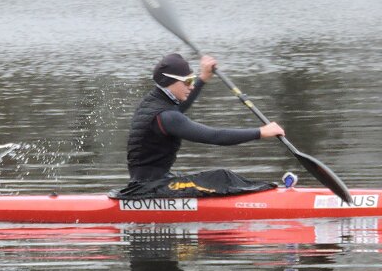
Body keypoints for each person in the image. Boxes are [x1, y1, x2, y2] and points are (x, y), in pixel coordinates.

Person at [115, 52, 284, 198]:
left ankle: (267, 193)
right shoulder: (166, 116)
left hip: (149, 184)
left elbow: (180, 107)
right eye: (187, 81)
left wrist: (203, 78)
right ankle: (270, 199)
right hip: (150, 189)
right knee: (222, 177)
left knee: (221, 178)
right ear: (169, 82)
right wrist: (260, 132)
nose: (191, 85)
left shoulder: (153, 103)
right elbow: (215, 136)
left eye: (193, 80)